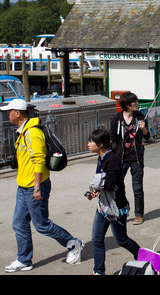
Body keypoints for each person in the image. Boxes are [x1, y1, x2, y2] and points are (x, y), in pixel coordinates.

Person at [2, 99, 84, 273]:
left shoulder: (32, 133)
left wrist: (37, 187)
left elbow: (39, 161)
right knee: (19, 223)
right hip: (24, 186)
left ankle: (73, 242)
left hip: (34, 186)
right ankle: (24, 260)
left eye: (9, 111)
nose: (7, 114)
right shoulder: (23, 132)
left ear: (18, 113)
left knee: (42, 225)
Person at [86, 129, 140, 275]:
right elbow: (104, 183)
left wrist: (96, 183)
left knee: (122, 240)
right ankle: (98, 271)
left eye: (91, 141)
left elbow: (109, 184)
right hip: (103, 206)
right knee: (96, 239)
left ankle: (143, 258)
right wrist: (95, 192)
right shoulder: (101, 158)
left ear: (101, 144)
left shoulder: (113, 160)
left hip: (116, 207)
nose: (88, 144)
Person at [110, 91, 150, 225]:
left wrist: (143, 129)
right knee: (118, 187)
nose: (137, 104)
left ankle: (139, 214)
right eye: (134, 102)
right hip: (120, 159)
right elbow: (113, 139)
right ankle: (122, 210)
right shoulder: (117, 119)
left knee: (137, 188)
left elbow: (147, 136)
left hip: (136, 158)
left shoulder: (140, 117)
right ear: (127, 105)